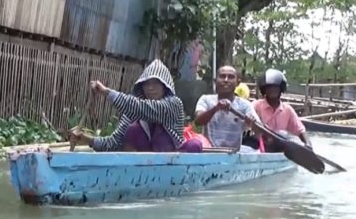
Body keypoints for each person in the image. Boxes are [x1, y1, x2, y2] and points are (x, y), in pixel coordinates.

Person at [66, 59, 204, 153]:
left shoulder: (173, 104)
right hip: (145, 164)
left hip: (172, 161)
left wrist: (106, 92)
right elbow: (114, 143)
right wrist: (85, 139)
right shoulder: (133, 110)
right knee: (134, 130)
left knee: (194, 145)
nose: (150, 88)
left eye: (156, 83)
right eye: (147, 84)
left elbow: (144, 109)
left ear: (165, 86)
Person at [194, 65, 261, 150]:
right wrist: (216, 108)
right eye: (222, 76)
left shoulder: (245, 105)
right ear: (215, 81)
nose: (226, 80)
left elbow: (259, 130)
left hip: (233, 155)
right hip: (209, 153)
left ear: (237, 83)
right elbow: (198, 122)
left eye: (231, 77)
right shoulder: (206, 99)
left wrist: (251, 123)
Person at [250, 69, 312, 152]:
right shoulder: (256, 105)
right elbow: (245, 120)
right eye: (269, 88)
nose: (272, 90)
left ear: (281, 89)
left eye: (275, 87)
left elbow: (300, 130)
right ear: (264, 90)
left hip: (278, 147)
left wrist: (308, 144)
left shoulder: (287, 109)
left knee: (283, 134)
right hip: (258, 146)